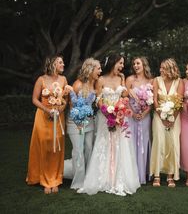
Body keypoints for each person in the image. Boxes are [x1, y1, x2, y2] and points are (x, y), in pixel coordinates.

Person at [78, 54, 140, 196]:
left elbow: (124, 96)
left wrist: (119, 111)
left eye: (123, 64)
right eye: (120, 63)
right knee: (104, 144)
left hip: (120, 117)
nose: (122, 66)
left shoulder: (121, 78)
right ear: (113, 63)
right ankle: (103, 178)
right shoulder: (101, 80)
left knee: (120, 145)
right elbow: (98, 99)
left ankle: (118, 179)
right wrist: (107, 113)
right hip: (105, 117)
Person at [26, 56, 69, 194]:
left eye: (63, 62)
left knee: (57, 147)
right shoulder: (41, 79)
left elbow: (65, 101)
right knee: (44, 146)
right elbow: (34, 99)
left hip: (58, 116)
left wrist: (59, 110)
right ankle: (45, 180)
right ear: (52, 64)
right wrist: (47, 110)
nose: (63, 64)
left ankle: (56, 179)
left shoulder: (64, 80)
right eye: (60, 62)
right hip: (43, 116)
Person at [64, 58, 102, 190]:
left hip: (90, 122)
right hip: (76, 123)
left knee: (89, 149)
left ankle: (88, 178)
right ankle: (78, 182)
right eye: (98, 68)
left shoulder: (96, 84)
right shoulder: (78, 84)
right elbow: (72, 106)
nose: (100, 71)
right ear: (90, 69)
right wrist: (78, 123)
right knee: (78, 151)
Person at [150, 58, 184, 187]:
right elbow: (155, 100)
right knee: (159, 142)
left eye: (163, 68)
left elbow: (179, 102)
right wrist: (162, 117)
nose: (160, 70)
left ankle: (170, 175)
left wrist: (172, 118)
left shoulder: (179, 82)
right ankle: (157, 174)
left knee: (173, 143)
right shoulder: (156, 80)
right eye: (160, 68)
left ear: (170, 69)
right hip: (159, 117)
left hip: (175, 118)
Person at [126, 56, 153, 184]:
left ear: (144, 65)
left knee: (143, 141)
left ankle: (143, 173)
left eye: (138, 63)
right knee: (131, 142)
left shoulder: (151, 81)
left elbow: (152, 102)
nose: (136, 66)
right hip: (131, 116)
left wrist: (144, 113)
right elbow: (125, 99)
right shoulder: (130, 79)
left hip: (145, 117)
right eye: (134, 64)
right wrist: (132, 113)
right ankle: (131, 173)